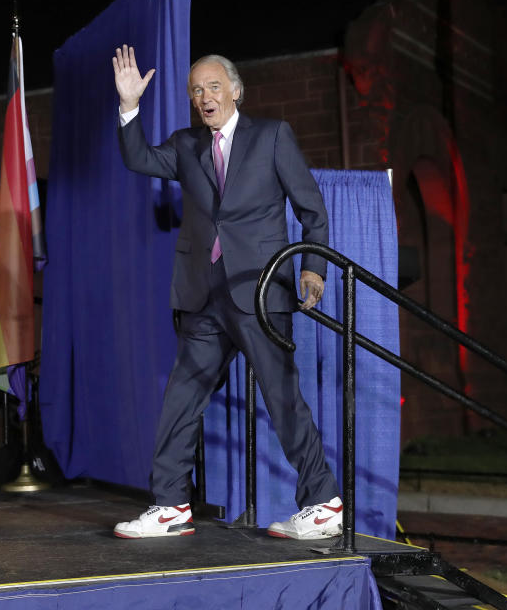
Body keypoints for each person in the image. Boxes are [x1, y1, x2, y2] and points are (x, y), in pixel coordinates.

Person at [111, 46, 343, 540]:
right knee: (182, 397)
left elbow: (312, 210)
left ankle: (323, 503)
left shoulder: (271, 136)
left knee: (282, 396)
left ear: (236, 91)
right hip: (203, 294)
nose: (204, 97)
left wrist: (313, 270)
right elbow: (137, 158)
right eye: (196, 90)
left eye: (214, 87)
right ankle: (171, 504)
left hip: (260, 292)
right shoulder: (185, 144)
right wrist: (129, 106)